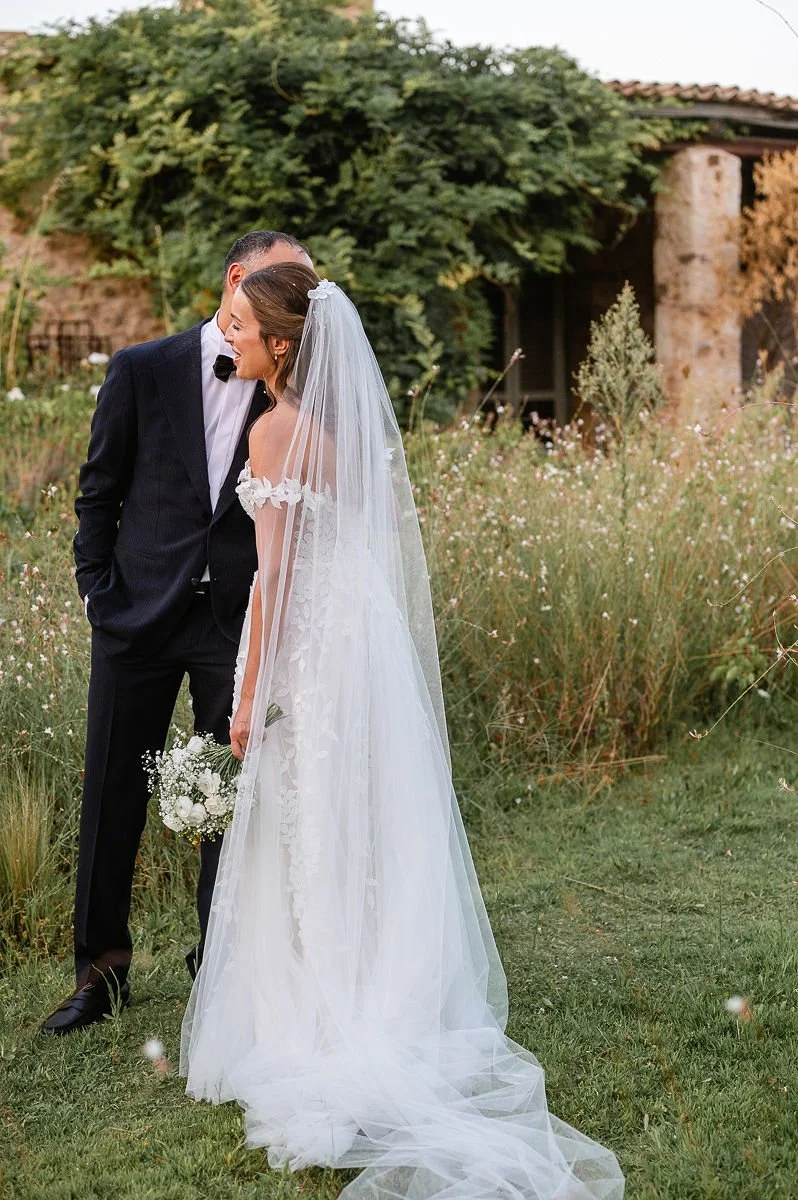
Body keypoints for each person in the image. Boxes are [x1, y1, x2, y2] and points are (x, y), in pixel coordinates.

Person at [180, 263, 624, 1199]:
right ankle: (383, 985)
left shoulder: (274, 431)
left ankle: (324, 1012)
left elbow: (275, 579)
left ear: (282, 345)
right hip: (360, 640)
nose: (229, 338)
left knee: (307, 821)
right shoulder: (340, 431)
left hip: (309, 642)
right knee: (362, 815)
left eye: (240, 327)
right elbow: (361, 537)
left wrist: (249, 689)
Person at [41, 231, 314, 1037]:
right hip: (135, 616)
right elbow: (98, 494)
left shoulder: (286, 382)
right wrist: (98, 595)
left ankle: (219, 964)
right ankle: (101, 973)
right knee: (111, 792)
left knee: (229, 800)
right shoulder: (140, 369)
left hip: (234, 621)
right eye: (283, 278)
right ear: (238, 278)